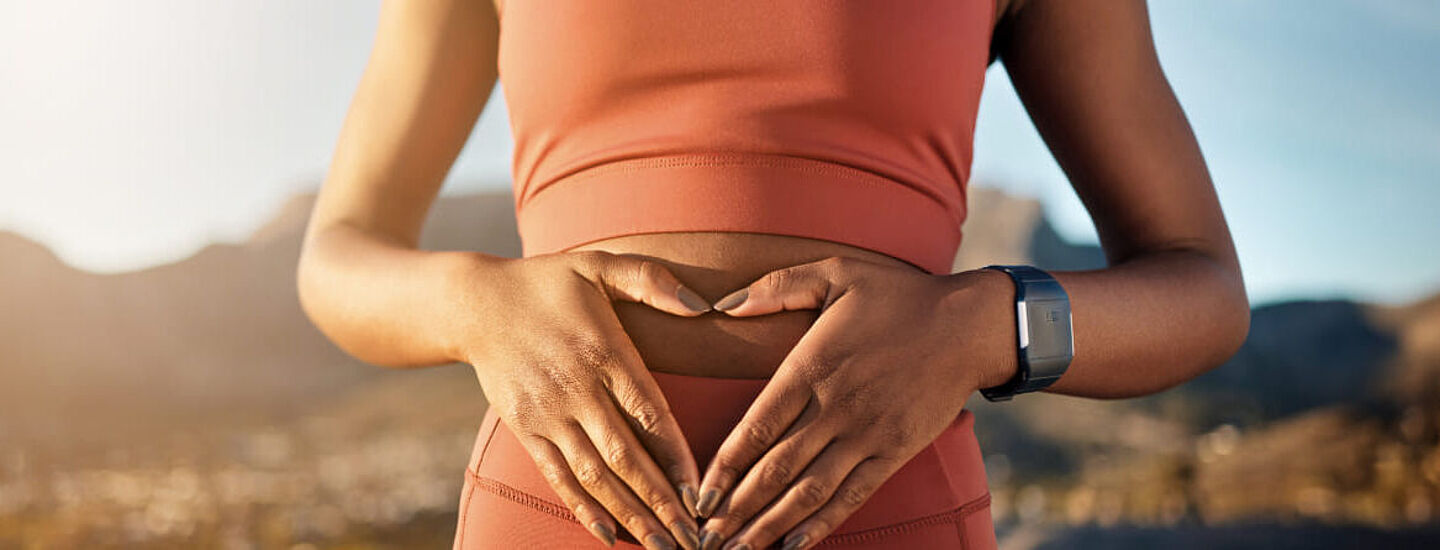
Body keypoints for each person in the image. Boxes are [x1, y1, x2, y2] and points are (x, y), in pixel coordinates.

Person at [296, 0, 1250, 548]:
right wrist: (479, 306)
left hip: (886, 515)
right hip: (555, 506)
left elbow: (1203, 290)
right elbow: (338, 255)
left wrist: (979, 326)